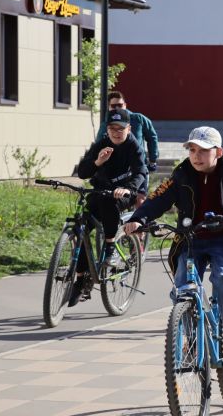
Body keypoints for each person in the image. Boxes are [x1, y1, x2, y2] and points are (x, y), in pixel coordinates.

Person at [123, 126, 223, 373]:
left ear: (218, 151)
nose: (196, 156)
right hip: (190, 239)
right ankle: (193, 342)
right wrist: (139, 218)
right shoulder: (182, 172)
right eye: (192, 150)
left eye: (203, 151)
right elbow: (159, 197)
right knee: (183, 289)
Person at [72, 109, 147, 306]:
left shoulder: (133, 147)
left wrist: (128, 189)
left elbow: (141, 173)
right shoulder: (101, 144)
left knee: (109, 203)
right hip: (100, 192)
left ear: (128, 129)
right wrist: (97, 162)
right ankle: (81, 280)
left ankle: (110, 245)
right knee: (81, 231)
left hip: (123, 195)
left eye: (120, 129)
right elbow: (82, 172)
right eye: (112, 128)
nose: (116, 132)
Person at [96, 91, 159, 207]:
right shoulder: (106, 124)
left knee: (140, 201)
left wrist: (153, 159)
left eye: (119, 105)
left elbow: (152, 137)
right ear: (109, 107)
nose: (117, 108)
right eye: (113, 106)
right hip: (116, 170)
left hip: (137, 167)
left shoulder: (138, 119)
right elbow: (98, 145)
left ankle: (141, 223)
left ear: (125, 105)